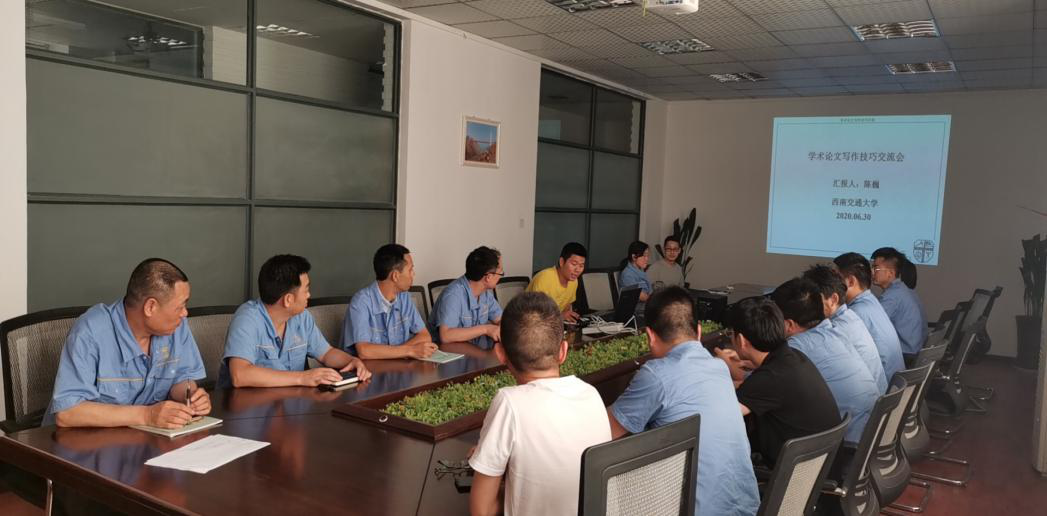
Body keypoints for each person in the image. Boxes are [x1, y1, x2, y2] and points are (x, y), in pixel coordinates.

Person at [608, 286, 760, 516]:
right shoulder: (719, 368)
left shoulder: (657, 374)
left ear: (650, 336)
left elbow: (605, 430)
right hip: (745, 508)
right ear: (698, 332)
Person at [469, 292, 611, 516]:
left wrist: (499, 471)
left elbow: (482, 510)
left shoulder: (509, 403)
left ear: (500, 354)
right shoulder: (591, 394)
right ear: (563, 351)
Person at [45, 258, 209, 428]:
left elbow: (181, 377)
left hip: (144, 437)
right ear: (150, 307)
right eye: (179, 307)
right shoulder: (91, 332)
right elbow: (67, 413)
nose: (185, 313)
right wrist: (147, 415)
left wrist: (191, 396)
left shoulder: (177, 326)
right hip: (81, 440)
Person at [715, 297, 841, 468]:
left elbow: (721, 415)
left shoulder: (771, 377)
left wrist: (716, 371)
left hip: (792, 474)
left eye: (731, 334)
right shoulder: (794, 356)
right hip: (820, 467)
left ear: (742, 341)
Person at [219, 254, 371, 388]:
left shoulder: (302, 317)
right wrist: (303, 378)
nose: (309, 295)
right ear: (288, 300)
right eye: (306, 290)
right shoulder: (247, 319)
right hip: (246, 407)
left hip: (289, 403)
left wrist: (352, 361)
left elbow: (326, 353)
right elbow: (240, 375)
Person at [770, 278, 879, 445]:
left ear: (788, 324)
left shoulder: (797, 346)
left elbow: (764, 381)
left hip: (848, 443)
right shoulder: (834, 331)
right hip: (870, 433)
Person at [802, 264, 888, 393]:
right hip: (877, 397)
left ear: (833, 299)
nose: (808, 305)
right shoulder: (849, 316)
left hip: (871, 400)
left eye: (813, 299)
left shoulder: (836, 329)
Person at [341, 244, 436, 359]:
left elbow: (425, 336)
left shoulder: (404, 297)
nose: (413, 274)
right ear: (395, 276)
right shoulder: (361, 302)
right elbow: (364, 351)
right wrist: (409, 351)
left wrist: (397, 353)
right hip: (367, 369)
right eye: (410, 269)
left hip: (397, 366)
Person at [833, 252, 906, 383]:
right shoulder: (871, 301)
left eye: (836, 280)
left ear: (851, 281)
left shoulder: (855, 313)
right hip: (894, 383)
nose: (832, 286)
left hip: (884, 385)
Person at [429, 246, 503, 348]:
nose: (501, 275)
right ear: (488, 277)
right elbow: (445, 336)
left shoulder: (485, 294)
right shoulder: (453, 295)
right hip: (450, 353)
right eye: (501, 272)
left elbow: (500, 320)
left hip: (475, 350)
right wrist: (486, 329)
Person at [871, 247, 929, 360]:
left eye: (876, 268)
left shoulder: (893, 296)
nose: (872, 272)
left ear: (890, 273)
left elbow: (872, 326)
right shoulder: (901, 290)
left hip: (905, 355)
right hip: (912, 351)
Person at [526, 242, 586, 323]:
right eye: (574, 264)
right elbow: (536, 315)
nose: (577, 270)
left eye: (581, 266)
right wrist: (561, 316)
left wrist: (570, 317)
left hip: (552, 324)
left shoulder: (574, 281)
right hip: (528, 324)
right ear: (562, 262)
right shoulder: (545, 278)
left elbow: (567, 308)